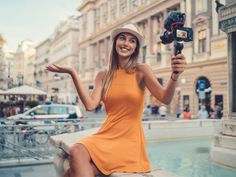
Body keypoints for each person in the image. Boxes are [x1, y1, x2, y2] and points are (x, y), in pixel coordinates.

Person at [46, 23, 186, 177]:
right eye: (123, 38)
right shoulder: (102, 76)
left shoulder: (141, 70)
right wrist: (73, 73)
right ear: (115, 43)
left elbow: (165, 98)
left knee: (74, 156)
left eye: (132, 41)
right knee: (72, 167)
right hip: (106, 135)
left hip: (129, 140)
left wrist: (175, 76)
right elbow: (90, 105)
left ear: (135, 48)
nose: (126, 43)